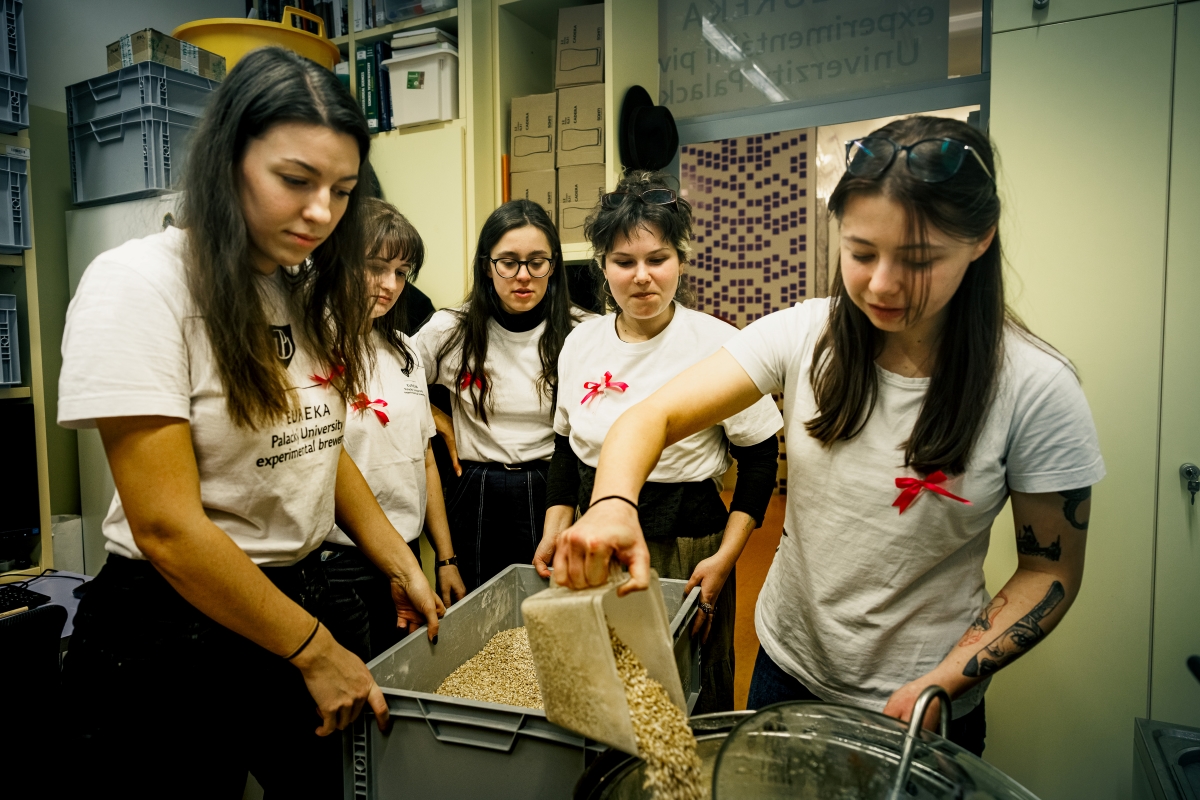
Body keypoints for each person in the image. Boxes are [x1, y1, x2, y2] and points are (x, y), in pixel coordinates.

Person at [552, 116, 1105, 756]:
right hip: (787, 669)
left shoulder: (1037, 387)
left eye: (919, 260)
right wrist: (613, 503)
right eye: (861, 252)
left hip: (925, 697)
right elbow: (649, 417)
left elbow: (1048, 570)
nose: (882, 284)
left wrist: (947, 681)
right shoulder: (804, 334)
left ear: (980, 240)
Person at [56, 48, 443, 799]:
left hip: (296, 595)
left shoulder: (298, 288)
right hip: (170, 623)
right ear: (228, 159)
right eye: (296, 181)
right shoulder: (139, 284)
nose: (322, 213)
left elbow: (313, 449)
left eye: (342, 190)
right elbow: (167, 527)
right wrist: (314, 651)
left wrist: (398, 559)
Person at [533, 171, 782, 713]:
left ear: (680, 262)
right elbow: (564, 448)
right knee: (609, 690)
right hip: (597, 532)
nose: (642, 277)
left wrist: (725, 557)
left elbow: (760, 459)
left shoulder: (717, 344)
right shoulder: (581, 342)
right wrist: (556, 528)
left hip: (688, 544)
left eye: (658, 259)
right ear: (602, 267)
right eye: (625, 262)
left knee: (688, 690)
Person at [414, 200, 590, 591]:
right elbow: (388, 382)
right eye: (508, 262)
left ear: (554, 265)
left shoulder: (583, 332)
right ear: (486, 266)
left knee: (555, 609)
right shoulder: (450, 329)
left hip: (554, 487)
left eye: (537, 261)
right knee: (479, 614)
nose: (523, 276)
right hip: (477, 489)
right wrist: (432, 414)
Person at [321, 198, 467, 661]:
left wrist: (444, 557)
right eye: (376, 267)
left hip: (405, 556)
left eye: (402, 272)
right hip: (338, 562)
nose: (390, 286)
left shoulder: (404, 351)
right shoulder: (313, 349)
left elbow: (423, 457)